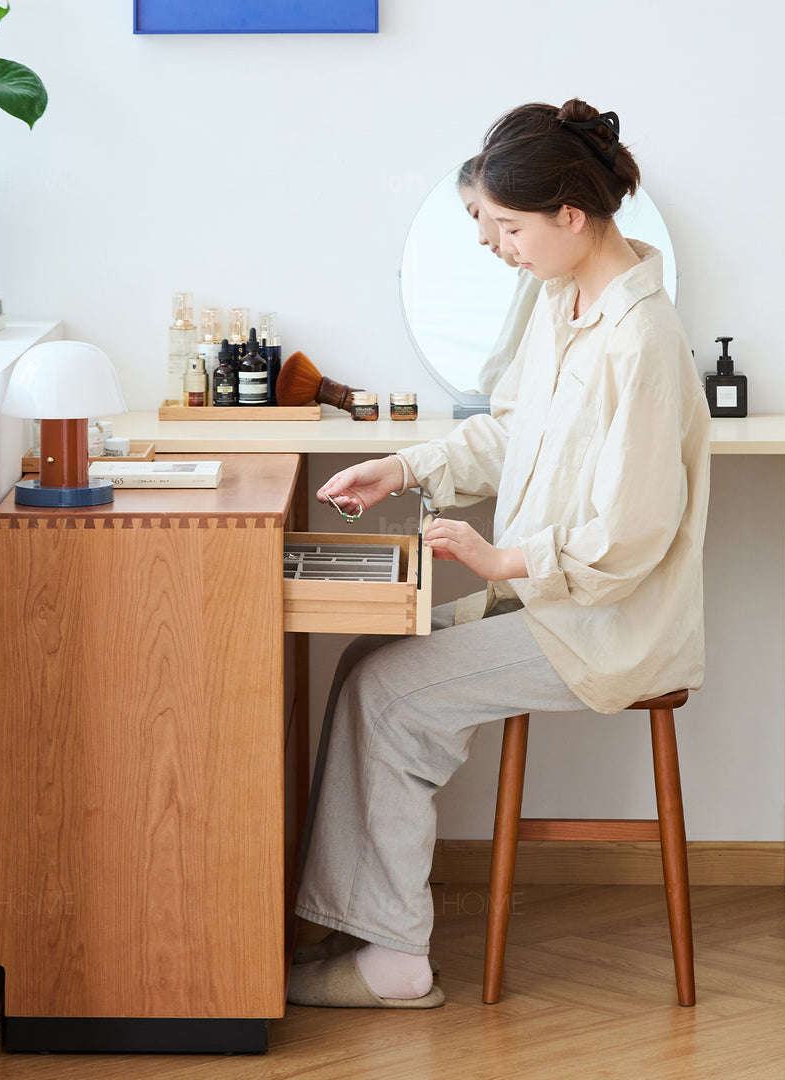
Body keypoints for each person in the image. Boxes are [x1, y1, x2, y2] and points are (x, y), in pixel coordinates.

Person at [288, 98, 710, 1010]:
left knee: (387, 693)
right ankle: (364, 926)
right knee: (365, 658)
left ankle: (396, 960)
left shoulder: (644, 338)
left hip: (604, 623)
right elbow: (509, 432)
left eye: (509, 226)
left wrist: (501, 561)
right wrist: (401, 465)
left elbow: (631, 534)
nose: (499, 245)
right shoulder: (563, 300)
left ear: (571, 215)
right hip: (555, 605)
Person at [456, 157, 544, 395]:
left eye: (476, 214)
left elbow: (498, 382)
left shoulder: (542, 272)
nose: (481, 239)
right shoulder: (533, 272)